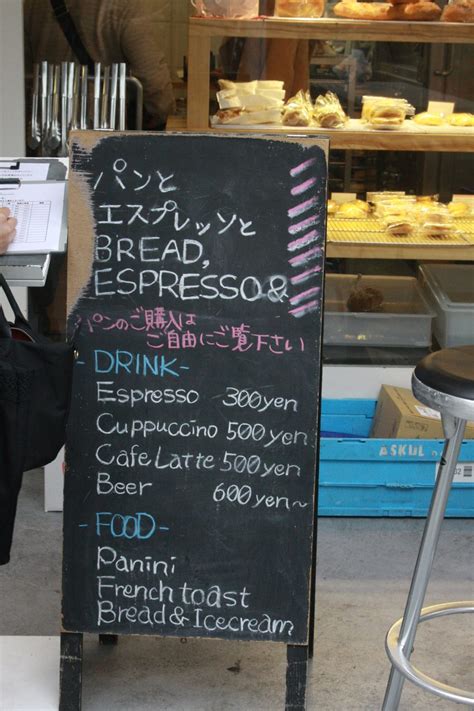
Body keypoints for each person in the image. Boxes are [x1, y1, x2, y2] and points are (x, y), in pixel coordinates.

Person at [23, 0, 175, 129]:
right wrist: (155, 120)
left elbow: (21, 75)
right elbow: (155, 84)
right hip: (103, 133)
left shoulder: (32, 4)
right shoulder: (122, 5)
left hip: (44, 130)